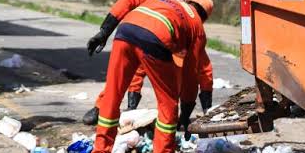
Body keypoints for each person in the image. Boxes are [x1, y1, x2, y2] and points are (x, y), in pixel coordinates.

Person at [86, 0, 213, 153]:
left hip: (125, 30)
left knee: (112, 95)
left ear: (188, 0)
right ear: (205, 17)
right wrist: (185, 113)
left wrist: (104, 31)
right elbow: (190, 75)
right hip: (156, 39)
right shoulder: (197, 28)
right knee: (168, 104)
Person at [82, 52, 214, 125]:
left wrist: (205, 110)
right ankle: (100, 107)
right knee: (122, 74)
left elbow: (205, 73)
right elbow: (137, 71)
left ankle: (183, 116)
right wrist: (131, 109)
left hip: (173, 42)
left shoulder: (196, 41)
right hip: (143, 35)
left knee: (185, 79)